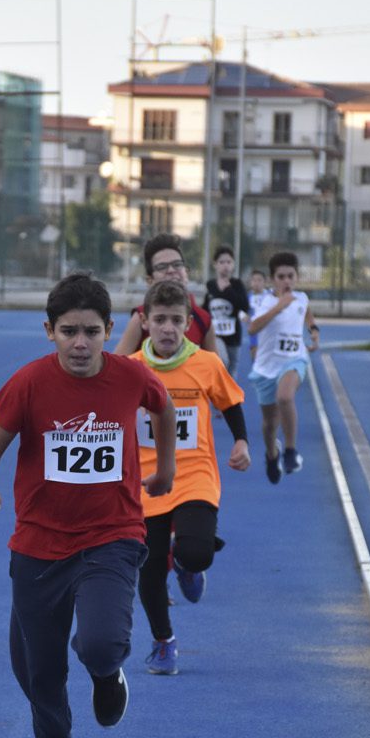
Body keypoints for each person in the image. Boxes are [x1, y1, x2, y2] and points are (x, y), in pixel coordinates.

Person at [0, 272, 177, 738]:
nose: (80, 343)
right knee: (37, 671)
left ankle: (107, 675)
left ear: (110, 330)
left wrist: (167, 471)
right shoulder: (30, 382)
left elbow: (163, 407)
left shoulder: (131, 378)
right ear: (49, 331)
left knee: (101, 641)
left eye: (91, 331)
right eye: (68, 332)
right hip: (38, 545)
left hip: (112, 534)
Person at [132, 279, 250, 676]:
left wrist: (241, 442)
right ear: (145, 322)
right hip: (147, 482)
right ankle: (163, 642)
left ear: (188, 324)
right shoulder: (131, 369)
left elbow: (230, 402)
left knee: (197, 552)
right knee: (147, 569)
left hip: (195, 474)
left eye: (176, 320)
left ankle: (184, 562)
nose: (168, 328)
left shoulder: (206, 363)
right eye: (160, 319)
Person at [246, 251, 319, 484]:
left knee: (285, 397)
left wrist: (314, 330)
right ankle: (271, 455)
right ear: (272, 279)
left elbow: (307, 312)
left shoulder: (302, 298)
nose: (286, 281)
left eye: (290, 276)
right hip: (267, 368)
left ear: (296, 277)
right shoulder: (266, 302)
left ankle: (290, 451)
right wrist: (279, 306)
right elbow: (252, 329)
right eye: (281, 276)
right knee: (269, 425)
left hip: (294, 360)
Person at [113, 234, 219, 356]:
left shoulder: (203, 319)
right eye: (162, 267)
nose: (171, 270)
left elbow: (216, 370)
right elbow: (118, 364)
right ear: (150, 280)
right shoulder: (142, 316)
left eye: (177, 264)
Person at [203, 246, 251, 377]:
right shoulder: (210, 286)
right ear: (215, 265)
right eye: (221, 262)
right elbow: (205, 308)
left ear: (233, 265)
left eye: (229, 262)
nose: (225, 266)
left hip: (233, 335)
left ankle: (230, 397)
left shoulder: (237, 285)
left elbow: (244, 306)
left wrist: (229, 290)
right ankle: (216, 390)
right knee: (222, 360)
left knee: (231, 370)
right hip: (215, 334)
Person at [246, 269, 270, 365]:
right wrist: (244, 316)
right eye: (254, 280)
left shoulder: (270, 295)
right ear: (251, 282)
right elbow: (241, 310)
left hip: (268, 331)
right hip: (255, 331)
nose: (256, 283)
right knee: (255, 358)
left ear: (265, 282)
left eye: (259, 280)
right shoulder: (247, 297)